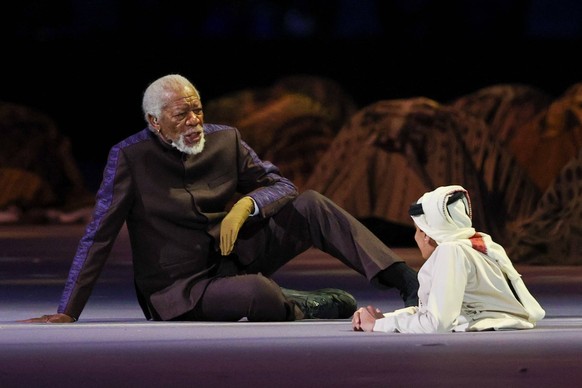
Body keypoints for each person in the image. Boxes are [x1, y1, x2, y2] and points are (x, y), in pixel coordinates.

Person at [22, 74, 419, 324]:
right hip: (181, 288)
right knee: (258, 294)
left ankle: (407, 282)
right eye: (182, 115)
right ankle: (305, 304)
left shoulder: (225, 139)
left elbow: (282, 185)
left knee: (312, 204)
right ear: (154, 122)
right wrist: (67, 309)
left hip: (236, 255)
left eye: (197, 110)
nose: (194, 121)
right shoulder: (129, 157)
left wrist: (247, 205)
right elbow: (99, 235)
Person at [352, 184, 545, 333]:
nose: (416, 237)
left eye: (418, 230)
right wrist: (384, 319)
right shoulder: (479, 244)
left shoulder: (451, 252)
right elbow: (439, 312)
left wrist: (378, 326)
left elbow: (437, 323)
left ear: (428, 233)